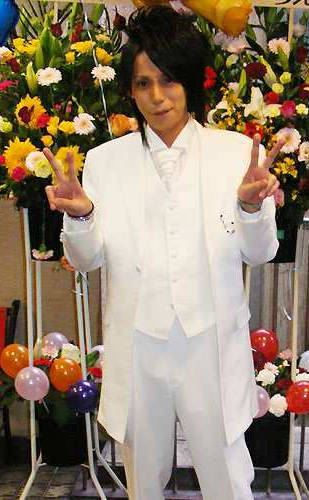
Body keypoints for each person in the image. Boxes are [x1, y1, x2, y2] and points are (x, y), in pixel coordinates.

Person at [44, 6, 284, 499]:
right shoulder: (104, 162)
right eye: (143, 83)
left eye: (169, 80)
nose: (157, 96)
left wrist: (250, 207)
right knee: (143, 482)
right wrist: (80, 217)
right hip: (139, 343)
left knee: (227, 480)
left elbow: (260, 252)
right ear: (130, 91)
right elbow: (87, 260)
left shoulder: (236, 153)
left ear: (190, 81)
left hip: (210, 341)